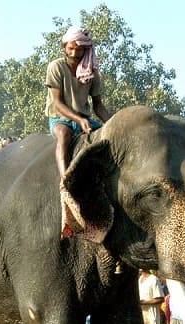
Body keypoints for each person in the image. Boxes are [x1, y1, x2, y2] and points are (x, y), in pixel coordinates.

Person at [46, 26, 112, 239]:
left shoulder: (90, 71)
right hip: (61, 117)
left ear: (86, 50)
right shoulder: (56, 67)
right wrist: (79, 119)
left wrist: (113, 124)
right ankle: (65, 181)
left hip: (85, 118)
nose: (75, 53)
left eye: (79, 49)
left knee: (106, 140)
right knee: (64, 135)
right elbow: (58, 102)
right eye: (71, 48)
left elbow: (99, 106)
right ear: (65, 46)